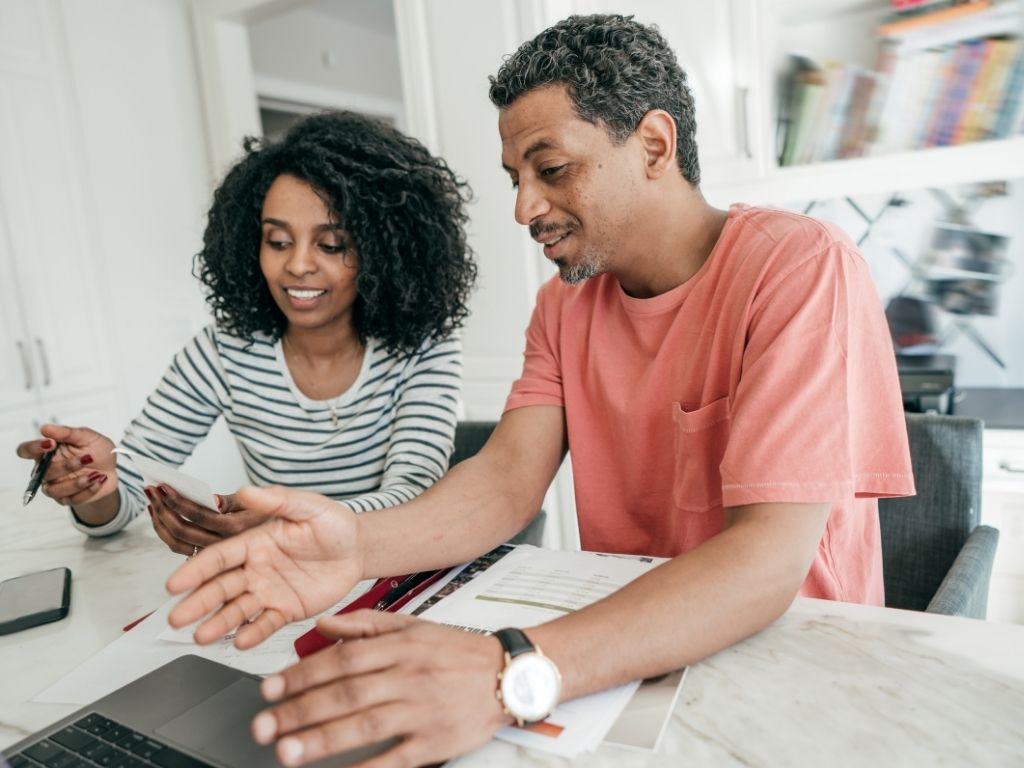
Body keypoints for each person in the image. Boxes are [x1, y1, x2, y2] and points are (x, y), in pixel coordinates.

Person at [165, 14, 915, 767]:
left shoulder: (798, 268)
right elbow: (504, 482)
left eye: (550, 170)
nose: (524, 208)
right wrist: (356, 543)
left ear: (654, 145)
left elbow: (765, 561)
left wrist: (508, 669)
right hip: (627, 650)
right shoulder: (565, 303)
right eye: (514, 179)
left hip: (789, 667)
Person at [15, 110, 477, 556]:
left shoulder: (425, 347)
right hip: (281, 582)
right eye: (277, 241)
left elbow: (414, 493)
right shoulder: (224, 352)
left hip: (394, 573)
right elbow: (128, 489)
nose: (296, 265)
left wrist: (283, 525)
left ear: (383, 251)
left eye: (331, 244)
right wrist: (94, 485)